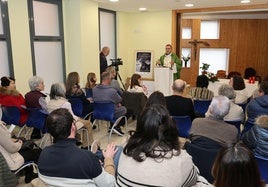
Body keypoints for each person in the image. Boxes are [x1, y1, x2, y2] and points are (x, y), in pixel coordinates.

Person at [117, 104, 210, 187]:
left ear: (140, 126)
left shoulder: (126, 148)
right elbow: (194, 178)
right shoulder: (180, 159)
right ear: (170, 127)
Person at [38, 108, 117, 186]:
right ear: (73, 127)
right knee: (117, 151)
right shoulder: (88, 157)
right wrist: (109, 159)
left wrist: (93, 165)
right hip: (93, 165)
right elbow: (109, 184)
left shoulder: (43, 154)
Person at [47, 83, 94, 148]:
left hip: (54, 126)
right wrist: (79, 119)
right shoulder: (65, 103)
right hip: (67, 125)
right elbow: (72, 117)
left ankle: (76, 139)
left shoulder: (49, 103)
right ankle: (86, 146)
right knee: (88, 124)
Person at [93, 71, 127, 136]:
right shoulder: (112, 91)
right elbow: (119, 99)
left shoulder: (94, 89)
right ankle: (115, 126)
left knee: (114, 106)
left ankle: (113, 126)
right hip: (109, 113)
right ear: (108, 79)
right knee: (124, 109)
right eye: (111, 79)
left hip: (97, 113)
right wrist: (117, 103)